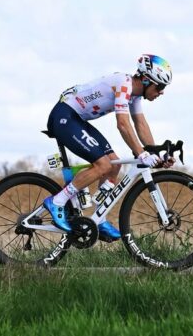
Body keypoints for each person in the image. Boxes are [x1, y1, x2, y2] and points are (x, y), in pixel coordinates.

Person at [43, 54, 175, 241]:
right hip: (65, 116)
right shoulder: (124, 84)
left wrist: (155, 153)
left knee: (114, 165)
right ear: (146, 80)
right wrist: (141, 153)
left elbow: (140, 124)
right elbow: (123, 124)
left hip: (77, 119)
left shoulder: (134, 95)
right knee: (103, 165)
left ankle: (99, 218)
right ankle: (57, 201)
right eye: (160, 86)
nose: (161, 92)